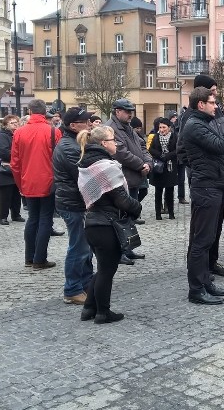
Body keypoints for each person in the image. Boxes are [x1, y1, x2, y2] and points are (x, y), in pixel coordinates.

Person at [180, 86, 224, 305]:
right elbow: (221, 146)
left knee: (208, 239)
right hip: (205, 187)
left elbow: (222, 144)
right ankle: (196, 289)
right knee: (201, 241)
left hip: (214, 185)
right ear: (201, 104)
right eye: (213, 102)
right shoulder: (194, 125)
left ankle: (205, 281)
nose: (216, 106)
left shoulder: (202, 123)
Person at [77, 126, 142, 323]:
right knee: (107, 270)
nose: (117, 143)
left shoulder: (85, 164)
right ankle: (103, 312)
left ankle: (89, 308)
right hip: (106, 225)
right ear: (104, 143)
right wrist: (137, 207)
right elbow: (121, 199)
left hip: (92, 224)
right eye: (114, 140)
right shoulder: (105, 166)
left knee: (104, 267)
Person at [11, 99, 61, 271]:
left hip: (28, 180)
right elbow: (58, 160)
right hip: (48, 181)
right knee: (45, 219)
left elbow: (15, 163)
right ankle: (40, 258)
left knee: (33, 218)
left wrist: (20, 184)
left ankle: (29, 257)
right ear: (44, 112)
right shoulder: (53, 132)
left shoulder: (19, 132)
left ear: (30, 111)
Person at [52, 107, 95, 304]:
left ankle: (86, 282)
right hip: (72, 203)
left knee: (85, 245)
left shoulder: (74, 142)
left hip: (77, 201)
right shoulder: (69, 147)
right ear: (73, 125)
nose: (89, 124)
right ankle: (72, 289)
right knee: (78, 247)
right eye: (85, 122)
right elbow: (83, 175)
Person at [105, 99, 152, 263]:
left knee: (129, 216)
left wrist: (148, 163)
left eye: (131, 110)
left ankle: (128, 247)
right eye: (127, 111)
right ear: (117, 112)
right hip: (121, 178)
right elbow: (121, 153)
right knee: (120, 217)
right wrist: (141, 165)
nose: (130, 114)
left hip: (133, 178)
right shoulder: (111, 128)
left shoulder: (128, 127)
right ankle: (120, 252)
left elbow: (142, 146)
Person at [0, 115, 23, 228]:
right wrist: (18, 156)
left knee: (16, 193)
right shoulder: (3, 136)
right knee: (5, 194)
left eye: (17, 122)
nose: (15, 125)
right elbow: (3, 151)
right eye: (12, 123)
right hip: (5, 169)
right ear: (5, 125)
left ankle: (16, 214)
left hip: (15, 169)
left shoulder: (18, 135)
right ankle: (3, 216)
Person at [149, 118, 178, 220]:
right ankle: (158, 213)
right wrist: (161, 155)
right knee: (158, 191)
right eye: (160, 127)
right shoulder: (156, 137)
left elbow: (178, 150)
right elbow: (151, 149)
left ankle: (171, 212)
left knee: (170, 191)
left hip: (170, 167)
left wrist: (168, 155)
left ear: (169, 128)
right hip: (159, 167)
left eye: (164, 127)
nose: (161, 129)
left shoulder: (174, 137)